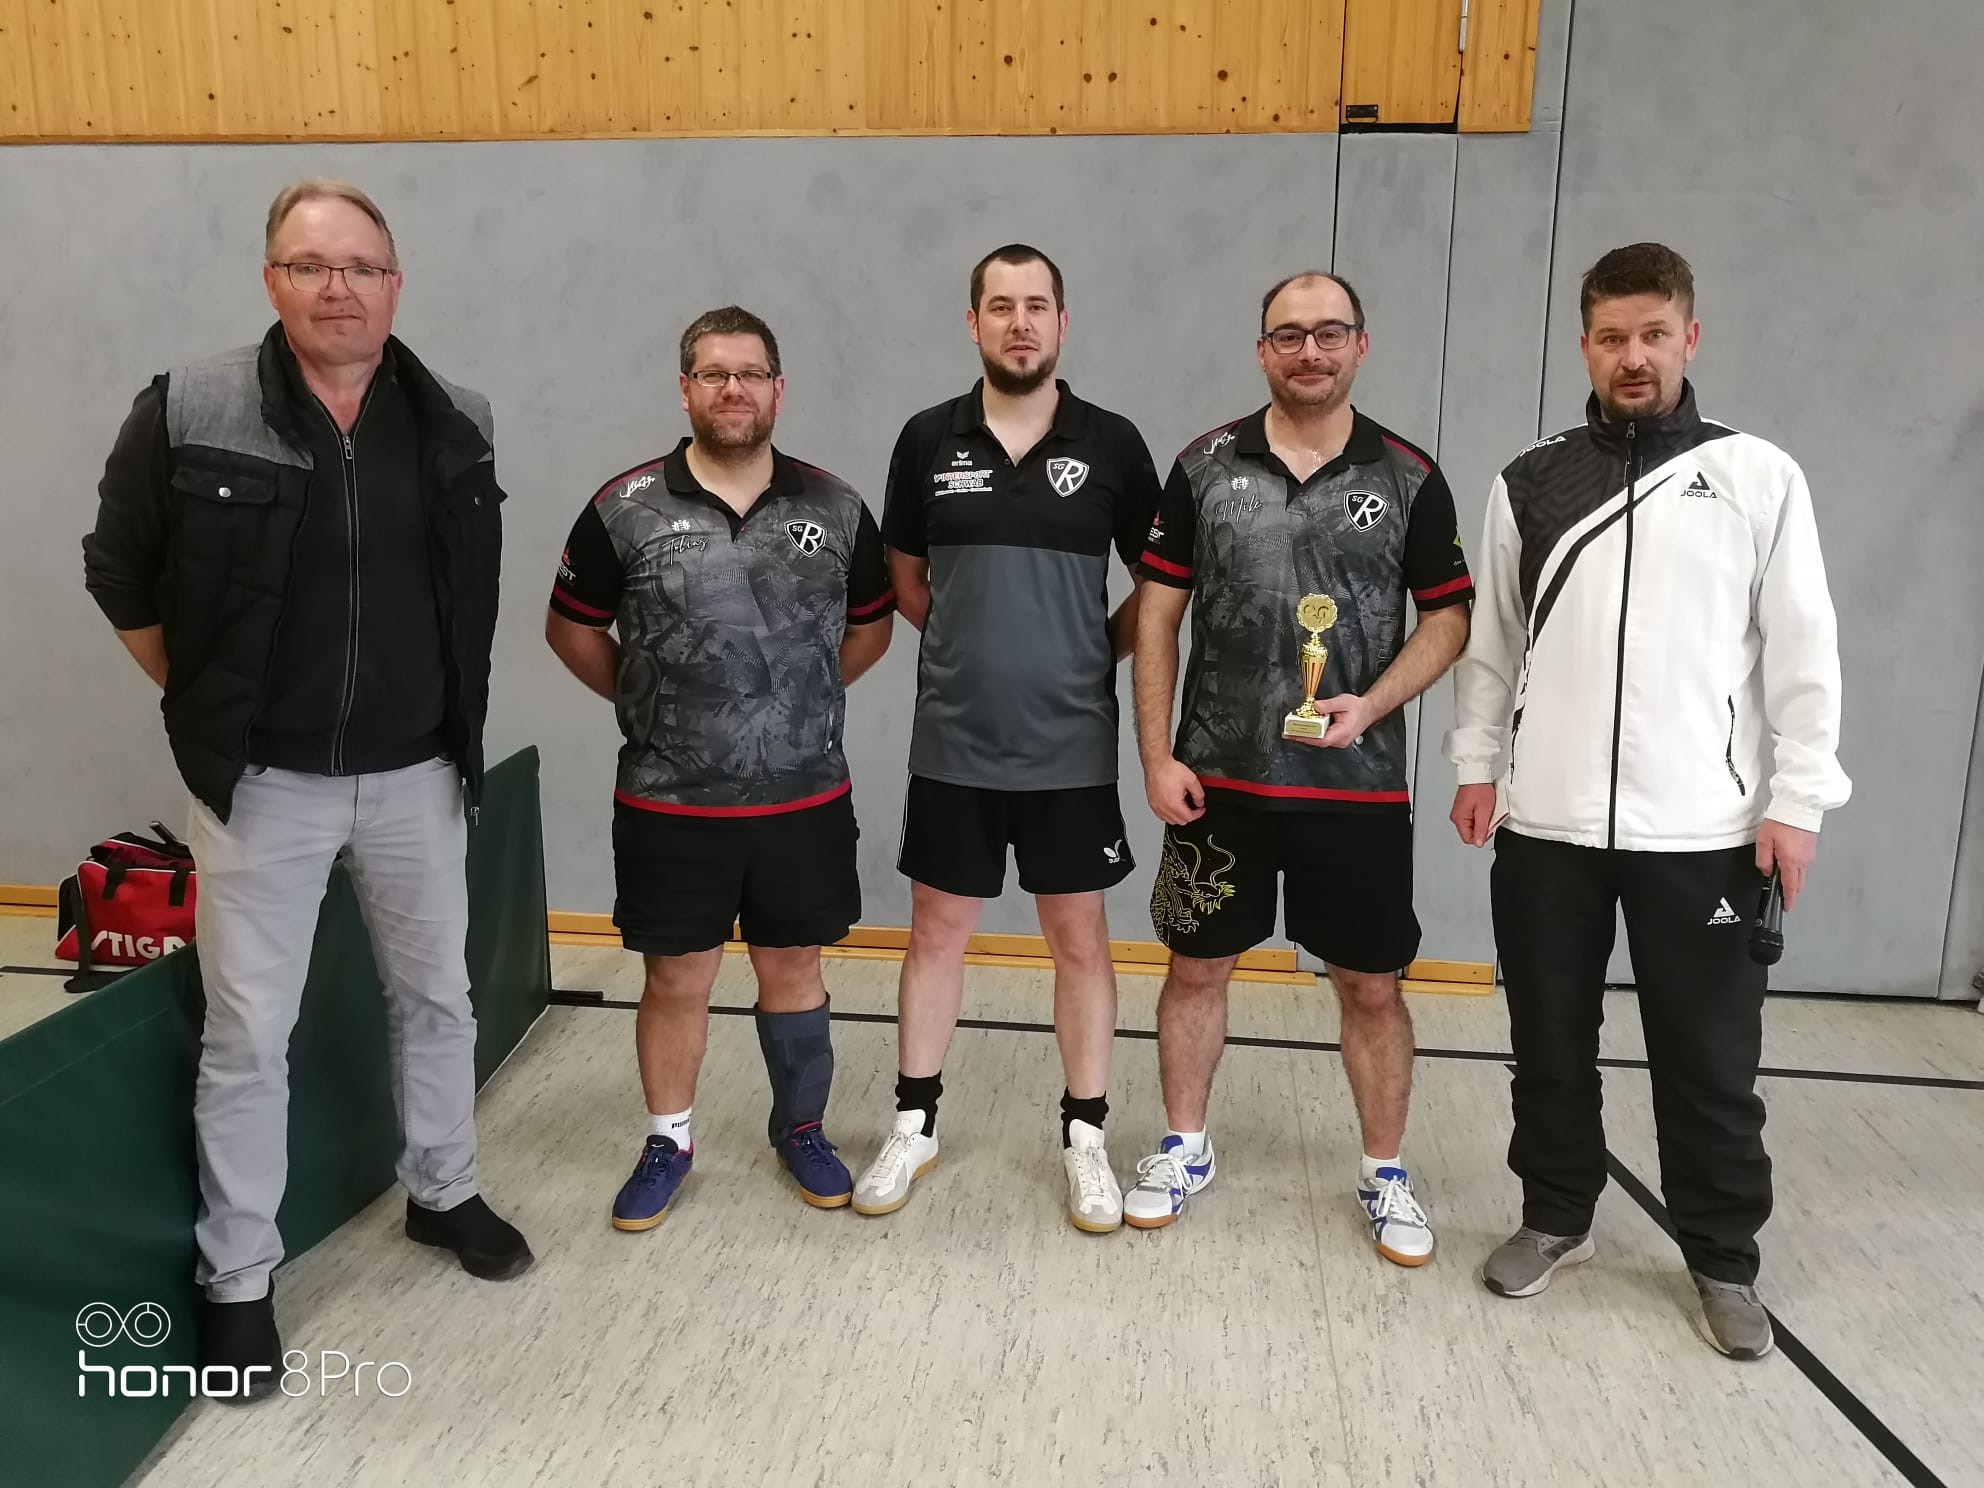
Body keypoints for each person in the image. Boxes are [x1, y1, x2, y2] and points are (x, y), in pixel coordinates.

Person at [82, 178, 531, 1402]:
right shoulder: (189, 407)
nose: (340, 288)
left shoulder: (458, 418)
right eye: (311, 265)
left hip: (416, 775)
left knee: (438, 1000)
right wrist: (207, 700)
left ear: (396, 282)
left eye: (362, 267)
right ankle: (238, 1276)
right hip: (263, 785)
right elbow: (119, 570)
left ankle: (444, 1190)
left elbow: (467, 596)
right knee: (248, 1038)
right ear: (272, 279)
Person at [1445, 242, 1850, 1359]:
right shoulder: (1530, 480)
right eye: (1613, 337)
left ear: (1690, 337)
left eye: (1654, 335)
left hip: (1706, 834)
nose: (1635, 357)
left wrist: (1798, 801)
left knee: (1709, 1063)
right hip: (1547, 829)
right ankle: (1556, 1217)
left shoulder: (1757, 475)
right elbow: (1493, 645)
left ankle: (1721, 1258)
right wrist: (1478, 766)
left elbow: (1804, 653)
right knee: (1547, 1045)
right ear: (1585, 345)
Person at [1129, 271, 1473, 1264]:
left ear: (1361, 344)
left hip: (1355, 788)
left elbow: (1448, 617)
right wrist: (1155, 754)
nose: (1309, 351)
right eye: (1289, 335)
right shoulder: (1201, 467)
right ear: (1262, 350)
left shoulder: (1409, 476)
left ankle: (1385, 1172)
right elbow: (1156, 616)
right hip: (1217, 780)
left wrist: (1373, 703)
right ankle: (1184, 1147)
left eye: (1329, 333)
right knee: (1196, 968)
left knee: (1371, 986)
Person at [546, 306, 894, 1231]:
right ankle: (669, 1140)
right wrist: (649, 702)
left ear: (779, 388)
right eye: (713, 373)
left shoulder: (837, 507)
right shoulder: (624, 508)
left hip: (803, 797)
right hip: (670, 803)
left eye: (749, 373)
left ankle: (801, 1128)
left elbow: (870, 630)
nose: (732, 389)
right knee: (676, 978)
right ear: (686, 389)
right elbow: (571, 629)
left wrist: (793, 700)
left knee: (795, 968)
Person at [852, 245, 1162, 1233]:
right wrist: (962, 646)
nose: (1019, 322)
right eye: (1000, 306)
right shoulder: (924, 439)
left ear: (1062, 323)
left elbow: (1162, 584)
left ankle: (1085, 1137)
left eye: (1036, 306)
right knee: (936, 932)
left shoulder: (1112, 444)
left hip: (1071, 748)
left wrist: (1090, 653)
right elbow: (906, 580)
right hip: (955, 742)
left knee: (1080, 941)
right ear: (974, 323)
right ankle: (914, 1125)